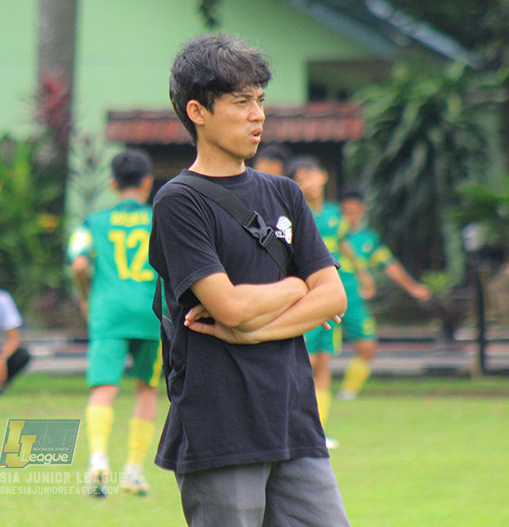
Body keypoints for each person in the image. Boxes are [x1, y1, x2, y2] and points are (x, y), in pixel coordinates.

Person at [148, 33, 349, 526]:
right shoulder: (180, 202)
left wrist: (255, 328)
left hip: (294, 421)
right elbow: (229, 307)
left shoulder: (285, 194)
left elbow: (335, 295)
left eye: (260, 100)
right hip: (221, 428)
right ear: (198, 111)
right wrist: (297, 288)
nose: (258, 114)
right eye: (241, 102)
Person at [67, 148, 161, 497]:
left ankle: (98, 462)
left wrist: (85, 296)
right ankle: (133, 471)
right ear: (148, 183)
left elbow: (78, 264)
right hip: (151, 312)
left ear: (112, 183)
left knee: (104, 388)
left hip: (107, 312)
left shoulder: (92, 222)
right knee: (146, 388)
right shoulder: (160, 219)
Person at [336, 187, 432, 400]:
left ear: (362, 211)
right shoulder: (329, 233)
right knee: (314, 353)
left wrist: (413, 287)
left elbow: (389, 265)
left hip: (354, 301)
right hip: (327, 298)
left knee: (368, 346)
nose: (350, 217)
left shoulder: (369, 239)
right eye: (346, 212)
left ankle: (347, 392)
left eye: (354, 211)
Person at [286, 155, 350, 443]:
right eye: (301, 179)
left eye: (311, 176)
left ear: (323, 176)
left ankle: (318, 431)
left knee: (323, 361)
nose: (308, 183)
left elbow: (344, 245)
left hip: (330, 297)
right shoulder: (296, 216)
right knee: (305, 363)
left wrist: (363, 273)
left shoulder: (336, 214)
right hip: (306, 297)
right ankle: (294, 426)